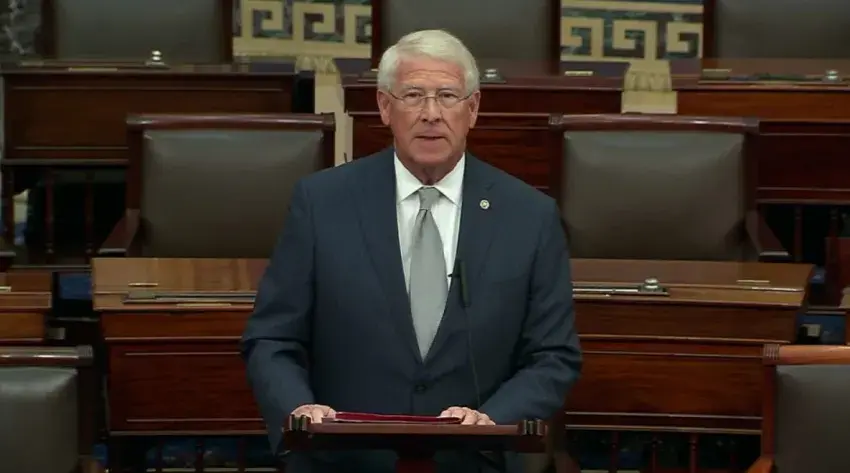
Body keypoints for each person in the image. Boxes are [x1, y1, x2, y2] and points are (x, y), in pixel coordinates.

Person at [241, 29, 582, 473]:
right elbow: (272, 338)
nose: (431, 114)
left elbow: (554, 355)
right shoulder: (322, 203)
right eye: (414, 95)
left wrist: (493, 420)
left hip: (475, 461)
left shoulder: (529, 216)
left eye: (447, 96)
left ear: (473, 109)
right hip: (343, 461)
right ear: (385, 107)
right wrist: (299, 411)